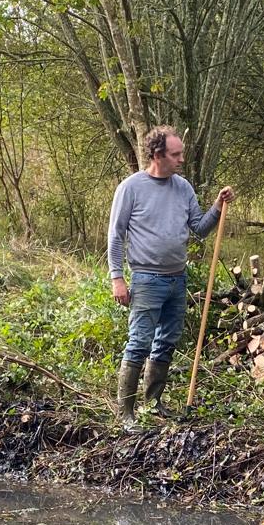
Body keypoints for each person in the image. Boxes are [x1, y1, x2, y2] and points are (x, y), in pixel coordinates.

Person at [108, 125, 235, 424]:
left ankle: (153, 404)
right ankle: (125, 413)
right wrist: (117, 278)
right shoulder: (131, 188)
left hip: (177, 278)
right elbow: (116, 236)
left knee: (166, 341)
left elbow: (200, 230)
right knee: (139, 342)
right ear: (157, 155)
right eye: (176, 155)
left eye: (181, 154)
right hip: (146, 279)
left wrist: (217, 206)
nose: (181, 160)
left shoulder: (184, 188)